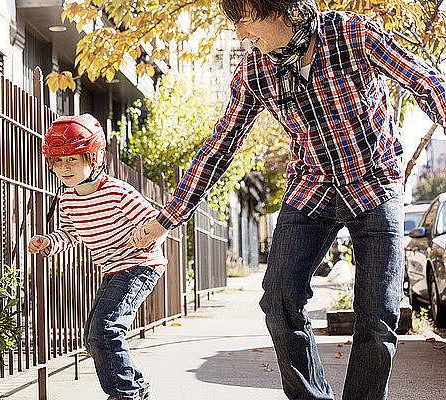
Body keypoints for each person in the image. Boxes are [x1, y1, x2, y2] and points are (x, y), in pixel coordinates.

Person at [130, 1, 446, 399]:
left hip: (372, 184)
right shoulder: (254, 71)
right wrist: (169, 217)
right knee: (279, 298)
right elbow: (218, 148)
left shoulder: (354, 34)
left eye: (245, 20)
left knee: (378, 314)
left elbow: (427, 81)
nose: (240, 34)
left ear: (281, 9)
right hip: (311, 187)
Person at [28, 114, 165, 400]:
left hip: (140, 265)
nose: (64, 168)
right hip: (113, 270)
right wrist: (47, 242)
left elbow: (155, 224)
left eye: (72, 160)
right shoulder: (67, 201)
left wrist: (145, 234)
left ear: (94, 158)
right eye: (58, 161)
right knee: (93, 337)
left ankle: (125, 393)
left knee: (104, 331)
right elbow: (69, 235)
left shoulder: (118, 192)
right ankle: (136, 387)